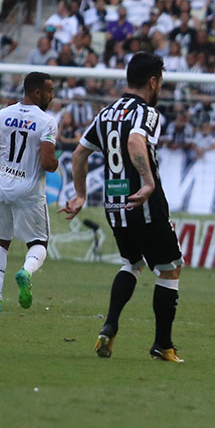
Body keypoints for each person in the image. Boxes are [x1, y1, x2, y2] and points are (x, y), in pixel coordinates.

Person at [60, 52, 185, 363]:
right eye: (161, 82)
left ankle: (110, 325)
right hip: (143, 202)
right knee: (170, 268)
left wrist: (79, 194)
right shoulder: (146, 113)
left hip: (114, 203)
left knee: (132, 262)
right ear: (153, 81)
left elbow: (78, 154)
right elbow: (134, 142)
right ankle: (163, 345)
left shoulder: (106, 113)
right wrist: (147, 181)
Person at [0, 72, 58, 312]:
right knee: (39, 242)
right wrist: (56, 164)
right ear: (37, 93)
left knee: (1, 243)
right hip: (28, 191)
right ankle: (26, 270)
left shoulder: (2, 115)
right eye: (50, 91)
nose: (52, 96)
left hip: (1, 186)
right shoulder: (46, 122)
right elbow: (47, 162)